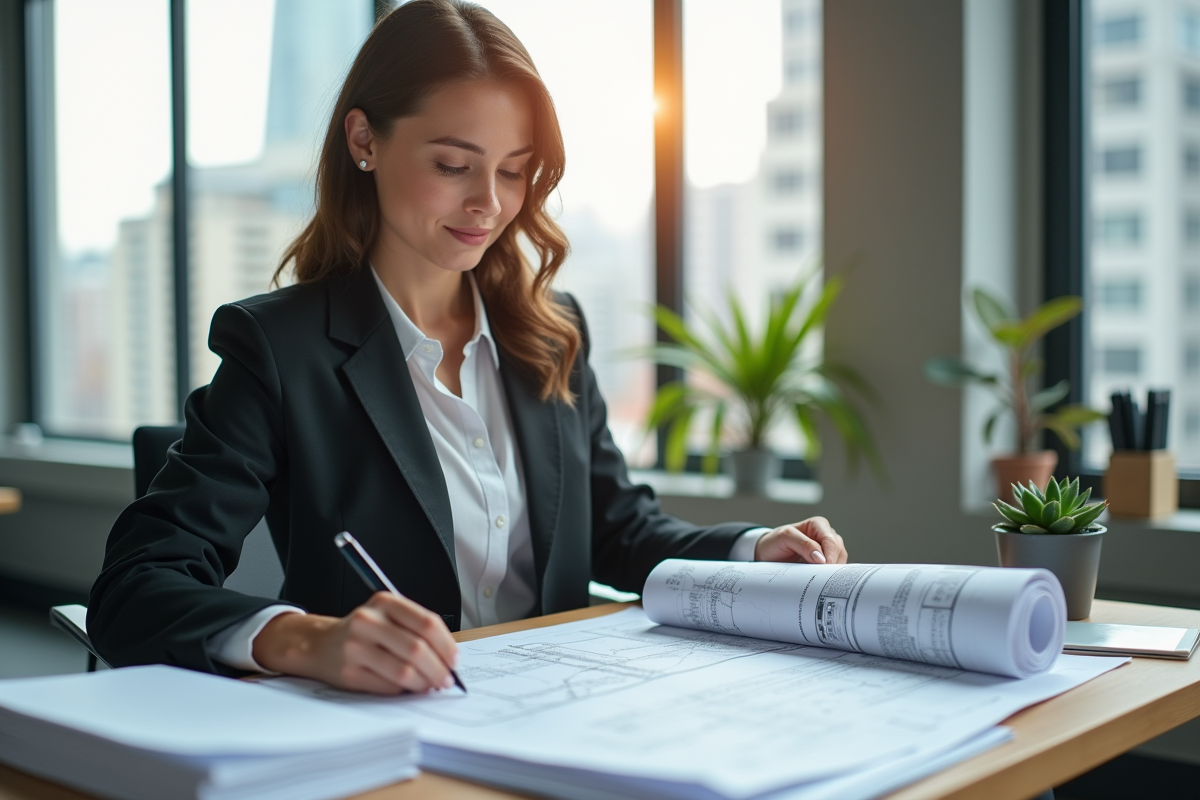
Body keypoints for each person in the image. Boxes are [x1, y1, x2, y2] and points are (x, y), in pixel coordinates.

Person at [88, 0, 847, 696]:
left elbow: (620, 529)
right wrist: (310, 640)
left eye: (513, 171)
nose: (489, 203)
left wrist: (753, 550)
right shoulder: (280, 349)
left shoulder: (551, 334)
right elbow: (135, 585)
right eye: (453, 165)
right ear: (364, 142)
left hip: (561, 710)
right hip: (389, 735)